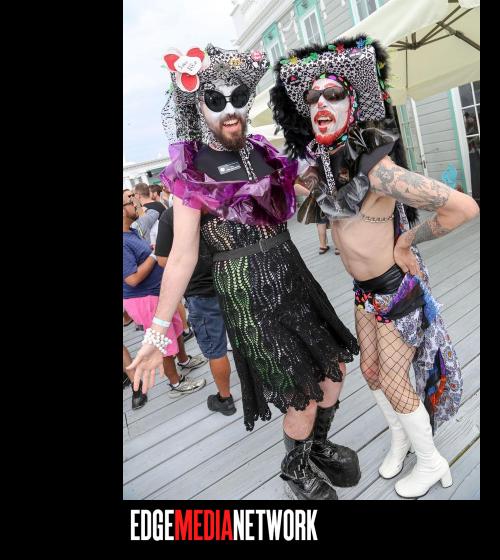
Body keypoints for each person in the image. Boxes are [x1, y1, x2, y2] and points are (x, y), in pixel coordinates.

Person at [128, 44, 360, 500]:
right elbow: (182, 256)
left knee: (334, 372)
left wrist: (345, 158)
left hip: (294, 277)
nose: (229, 110)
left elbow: (318, 189)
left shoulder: (262, 151)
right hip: (246, 292)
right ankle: (296, 469)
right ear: (198, 107)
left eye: (237, 98)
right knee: (301, 393)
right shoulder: (191, 170)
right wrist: (156, 333)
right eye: (215, 100)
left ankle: (314, 448)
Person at [271, 35, 480, 499]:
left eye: (333, 94)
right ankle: (402, 439)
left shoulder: (377, 168)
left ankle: (431, 461)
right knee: (370, 371)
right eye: (312, 97)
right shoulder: (326, 165)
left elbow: (463, 207)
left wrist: (407, 240)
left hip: (394, 290)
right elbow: (311, 196)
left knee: (394, 379)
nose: (321, 103)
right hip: (363, 291)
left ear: (353, 104)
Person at [122, 189, 207, 405]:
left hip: (156, 293)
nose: (135, 202)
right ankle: (175, 383)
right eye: (129, 200)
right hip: (144, 299)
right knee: (161, 340)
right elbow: (132, 279)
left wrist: (149, 251)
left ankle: (184, 361)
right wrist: (153, 255)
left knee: (176, 328)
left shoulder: (130, 232)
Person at [155, 205, 236, 416]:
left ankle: (225, 399)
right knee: (248, 336)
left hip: (200, 291)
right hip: (232, 279)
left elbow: (163, 260)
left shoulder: (172, 215)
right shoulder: (220, 202)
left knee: (216, 351)